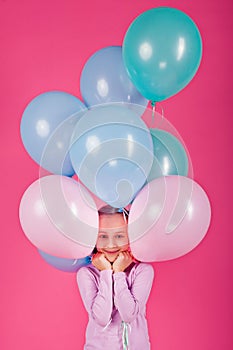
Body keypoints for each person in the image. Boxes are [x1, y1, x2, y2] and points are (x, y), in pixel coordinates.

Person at [76, 205, 154, 350]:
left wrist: (118, 272)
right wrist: (106, 272)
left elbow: (128, 315)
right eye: (103, 236)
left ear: (130, 237)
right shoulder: (87, 274)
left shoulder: (143, 271)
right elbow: (101, 318)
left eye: (119, 236)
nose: (111, 244)